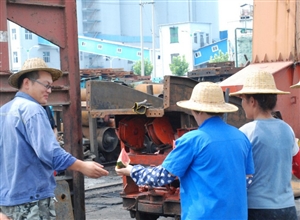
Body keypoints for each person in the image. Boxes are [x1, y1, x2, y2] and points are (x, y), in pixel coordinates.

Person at [116, 81, 255, 220]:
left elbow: (161, 177)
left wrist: (131, 170)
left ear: (197, 110)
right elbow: (247, 180)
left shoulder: (192, 140)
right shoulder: (241, 137)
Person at [0, 57, 109, 219]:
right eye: (46, 85)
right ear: (27, 83)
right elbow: (49, 152)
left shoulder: (4, 111)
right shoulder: (33, 110)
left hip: (8, 201)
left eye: (51, 86)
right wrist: (82, 166)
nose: (50, 90)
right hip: (32, 201)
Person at [229, 71, 298, 220]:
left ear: (252, 101)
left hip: (258, 209)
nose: (242, 104)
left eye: (243, 99)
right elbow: (296, 163)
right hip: (288, 208)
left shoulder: (247, 132)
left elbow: (235, 171)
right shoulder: (287, 129)